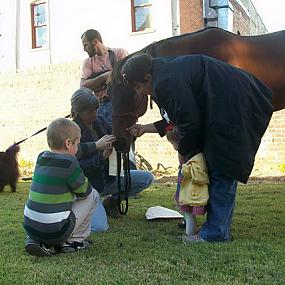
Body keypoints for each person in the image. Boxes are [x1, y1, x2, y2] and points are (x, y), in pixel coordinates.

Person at [121, 53, 273, 243]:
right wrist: (146, 128)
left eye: (138, 87)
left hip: (236, 105)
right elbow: (179, 114)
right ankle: (214, 226)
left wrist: (184, 152)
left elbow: (190, 123)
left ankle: (215, 234)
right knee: (216, 165)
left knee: (221, 166)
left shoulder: (166, 81)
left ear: (147, 77)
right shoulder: (165, 72)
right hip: (227, 105)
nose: (141, 92)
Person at [71, 87, 154, 218]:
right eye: (89, 112)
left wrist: (130, 133)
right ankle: (85, 204)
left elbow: (117, 137)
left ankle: (111, 202)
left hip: (107, 179)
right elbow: (75, 167)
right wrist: (100, 154)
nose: (94, 114)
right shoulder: (70, 130)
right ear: (77, 112)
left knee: (147, 178)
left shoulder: (100, 121)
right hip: (87, 187)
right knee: (100, 227)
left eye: (95, 110)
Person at [23, 118, 100, 256]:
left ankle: (38, 239)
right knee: (93, 195)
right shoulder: (69, 162)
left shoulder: (41, 158)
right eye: (77, 144)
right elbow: (84, 191)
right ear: (68, 143)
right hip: (55, 230)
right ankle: (72, 241)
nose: (78, 148)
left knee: (52, 201)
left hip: (30, 226)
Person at [166, 124, 209, 240]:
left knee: (189, 214)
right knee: (188, 214)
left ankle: (189, 234)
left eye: (173, 144)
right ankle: (191, 231)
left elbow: (197, 175)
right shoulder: (194, 157)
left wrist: (184, 167)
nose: (174, 147)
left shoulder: (194, 160)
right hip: (188, 190)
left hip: (191, 192)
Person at [80, 29, 128, 127]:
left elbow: (127, 78)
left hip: (119, 106)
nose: (84, 49)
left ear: (95, 41)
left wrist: (95, 82)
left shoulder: (119, 53)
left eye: (85, 45)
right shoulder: (88, 62)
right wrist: (104, 76)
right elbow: (83, 86)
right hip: (99, 107)